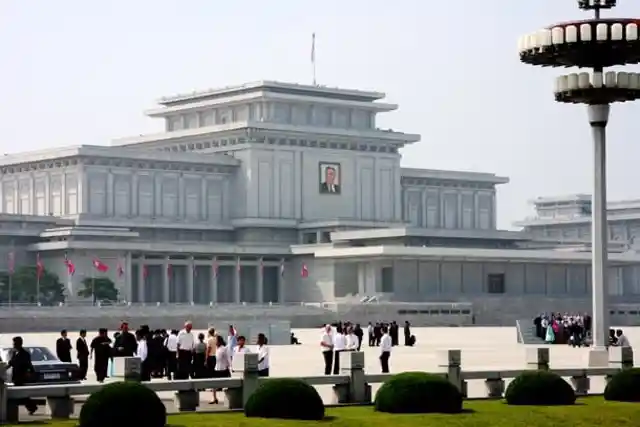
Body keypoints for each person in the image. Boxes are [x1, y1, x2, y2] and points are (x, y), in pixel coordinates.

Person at [8, 336, 38, 414]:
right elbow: (11, 363)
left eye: (14, 343)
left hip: (21, 377)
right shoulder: (14, 353)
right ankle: (32, 407)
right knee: (21, 395)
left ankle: (32, 407)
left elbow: (28, 365)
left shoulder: (25, 354)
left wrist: (28, 373)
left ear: (19, 344)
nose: (13, 345)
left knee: (20, 394)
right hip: (15, 376)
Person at [211, 335, 232, 405]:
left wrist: (230, 366)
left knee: (227, 385)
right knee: (214, 385)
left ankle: (230, 399)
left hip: (224, 369)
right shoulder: (217, 348)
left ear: (219, 341)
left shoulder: (224, 348)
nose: (215, 342)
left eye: (216, 340)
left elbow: (228, 358)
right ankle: (214, 399)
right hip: (217, 369)